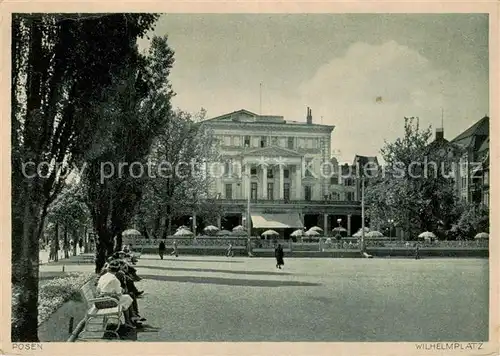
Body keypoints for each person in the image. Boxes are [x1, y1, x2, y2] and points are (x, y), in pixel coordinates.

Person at [96, 260, 139, 328]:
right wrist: (121, 290)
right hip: (108, 301)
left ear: (109, 269)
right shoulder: (114, 279)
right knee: (127, 298)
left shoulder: (103, 276)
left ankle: (132, 318)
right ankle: (129, 320)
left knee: (126, 298)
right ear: (118, 270)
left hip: (100, 300)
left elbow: (98, 289)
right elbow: (119, 293)